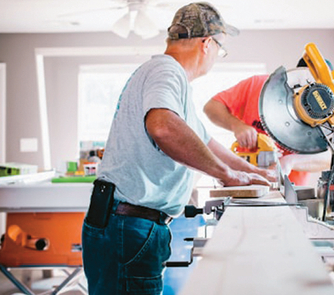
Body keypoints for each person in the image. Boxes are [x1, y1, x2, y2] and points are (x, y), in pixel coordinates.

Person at [81, 3, 275, 294]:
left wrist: (252, 172)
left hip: (127, 223)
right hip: (130, 225)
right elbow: (163, 127)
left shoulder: (169, 79)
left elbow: (205, 141)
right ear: (207, 43)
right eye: (221, 50)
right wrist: (226, 174)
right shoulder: (166, 70)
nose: (216, 58)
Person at [203, 59, 331, 186]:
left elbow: (330, 157)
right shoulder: (258, 85)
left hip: (289, 191)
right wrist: (236, 125)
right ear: (296, 76)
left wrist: (290, 162)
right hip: (244, 183)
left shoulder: (325, 113)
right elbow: (212, 107)